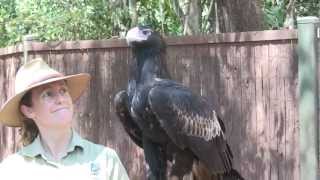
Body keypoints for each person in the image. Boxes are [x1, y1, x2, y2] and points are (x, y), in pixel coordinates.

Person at [0, 58, 129, 180]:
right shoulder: (12, 170)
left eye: (63, 90)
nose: (61, 99)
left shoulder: (105, 159)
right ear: (29, 111)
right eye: (48, 94)